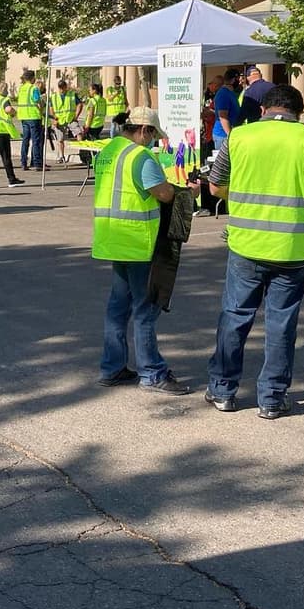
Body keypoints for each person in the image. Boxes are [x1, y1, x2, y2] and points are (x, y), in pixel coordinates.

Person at [205, 84, 304, 417]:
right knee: (282, 323)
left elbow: (215, 186)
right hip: (291, 248)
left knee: (235, 318)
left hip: (246, 245)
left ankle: (222, 391)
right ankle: (271, 398)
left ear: (264, 109)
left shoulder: (239, 137)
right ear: (297, 113)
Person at [91, 106, 189, 394]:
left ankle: (112, 367)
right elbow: (164, 193)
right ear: (144, 130)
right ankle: (152, 373)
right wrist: (186, 191)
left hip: (112, 238)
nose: (153, 141)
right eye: (153, 135)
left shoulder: (109, 150)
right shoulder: (140, 156)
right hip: (137, 242)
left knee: (118, 306)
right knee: (146, 308)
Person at [16, 69, 44, 171]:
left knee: (25, 140)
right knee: (36, 141)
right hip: (33, 116)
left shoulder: (21, 88)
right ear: (33, 78)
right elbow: (37, 101)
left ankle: (23, 162)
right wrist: (41, 109)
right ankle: (37, 163)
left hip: (23, 116)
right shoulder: (34, 88)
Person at [48, 79, 78, 165]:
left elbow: (79, 104)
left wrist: (76, 116)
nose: (62, 90)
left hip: (70, 119)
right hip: (59, 120)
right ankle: (61, 156)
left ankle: (83, 153)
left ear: (66, 87)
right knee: (60, 139)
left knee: (79, 133)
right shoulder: (54, 96)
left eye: (63, 88)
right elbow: (51, 108)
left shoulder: (71, 95)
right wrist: (54, 119)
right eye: (60, 88)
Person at [212, 68, 243, 145]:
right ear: (233, 80)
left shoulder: (230, 93)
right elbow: (223, 117)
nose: (240, 82)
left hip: (227, 134)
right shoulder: (224, 94)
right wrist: (230, 135)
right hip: (223, 136)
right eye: (239, 79)